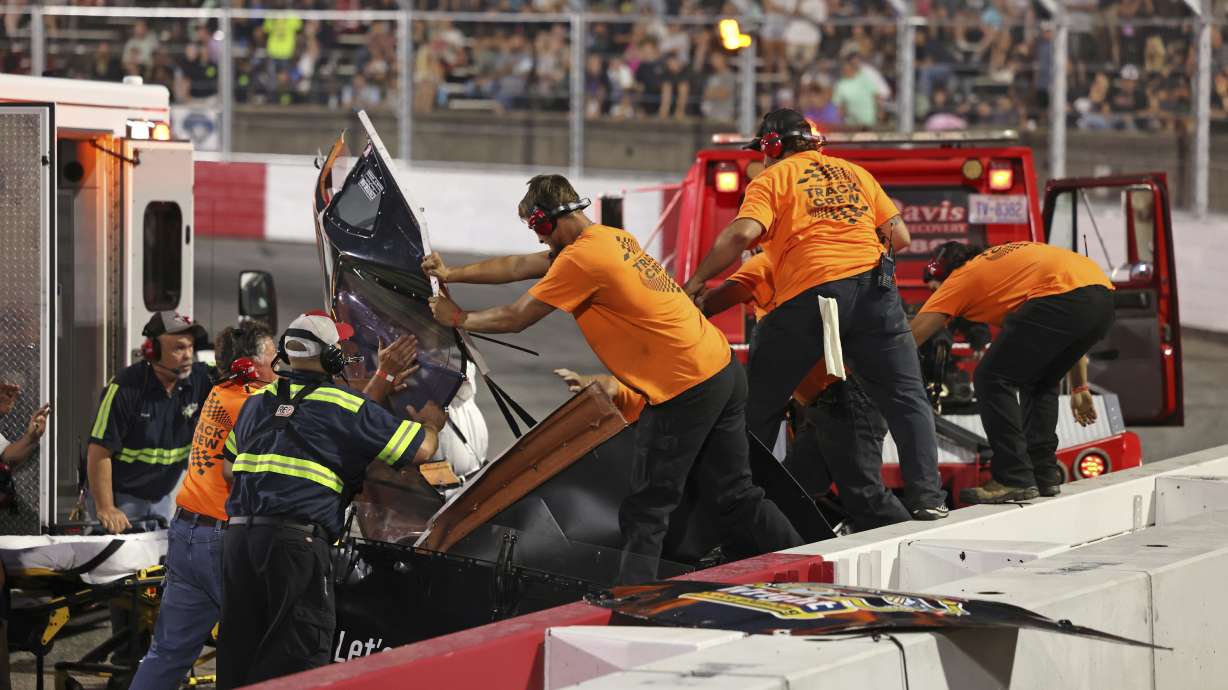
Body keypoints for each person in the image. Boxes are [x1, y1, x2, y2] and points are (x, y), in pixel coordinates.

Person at [422, 174, 803, 584]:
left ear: (547, 221)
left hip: (684, 387)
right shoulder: (608, 239)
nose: (537, 240)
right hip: (720, 369)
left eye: (536, 229)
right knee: (737, 495)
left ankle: (631, 601)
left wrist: (460, 318)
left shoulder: (581, 260)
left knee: (648, 507)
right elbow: (519, 266)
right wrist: (453, 273)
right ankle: (811, 564)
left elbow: (517, 317)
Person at [682, 108, 947, 520]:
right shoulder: (853, 172)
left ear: (771, 148)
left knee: (759, 404)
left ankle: (733, 502)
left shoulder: (770, 180)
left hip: (816, 291)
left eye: (763, 151)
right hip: (878, 290)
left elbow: (741, 233)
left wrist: (696, 281)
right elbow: (902, 236)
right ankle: (929, 499)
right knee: (906, 396)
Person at [217, 313, 445, 688]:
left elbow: (229, 471)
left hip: (239, 542)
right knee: (299, 657)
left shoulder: (257, 403)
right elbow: (421, 449)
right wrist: (432, 422)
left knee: (241, 655)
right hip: (295, 546)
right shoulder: (344, 404)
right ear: (332, 358)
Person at [697, 252, 912, 532]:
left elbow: (706, 306)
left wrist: (689, 288)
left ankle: (919, 548)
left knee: (866, 498)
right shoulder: (797, 265)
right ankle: (783, 551)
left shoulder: (766, 263)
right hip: (825, 403)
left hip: (845, 397)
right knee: (793, 489)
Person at [910, 241, 1115, 504]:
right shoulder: (1000, 262)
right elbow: (1069, 315)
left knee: (990, 377)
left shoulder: (962, 277)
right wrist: (1080, 388)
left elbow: (912, 336)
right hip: (1101, 297)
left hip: (1061, 299)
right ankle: (1044, 475)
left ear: (947, 274)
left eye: (935, 287)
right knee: (1040, 380)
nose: (935, 295)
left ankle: (1013, 477)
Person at [87, 312, 212, 534]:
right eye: (179, 348)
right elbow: (99, 451)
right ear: (151, 351)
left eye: (190, 347)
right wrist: (106, 507)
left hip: (161, 500)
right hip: (120, 500)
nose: (188, 356)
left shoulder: (199, 381)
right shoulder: (124, 388)